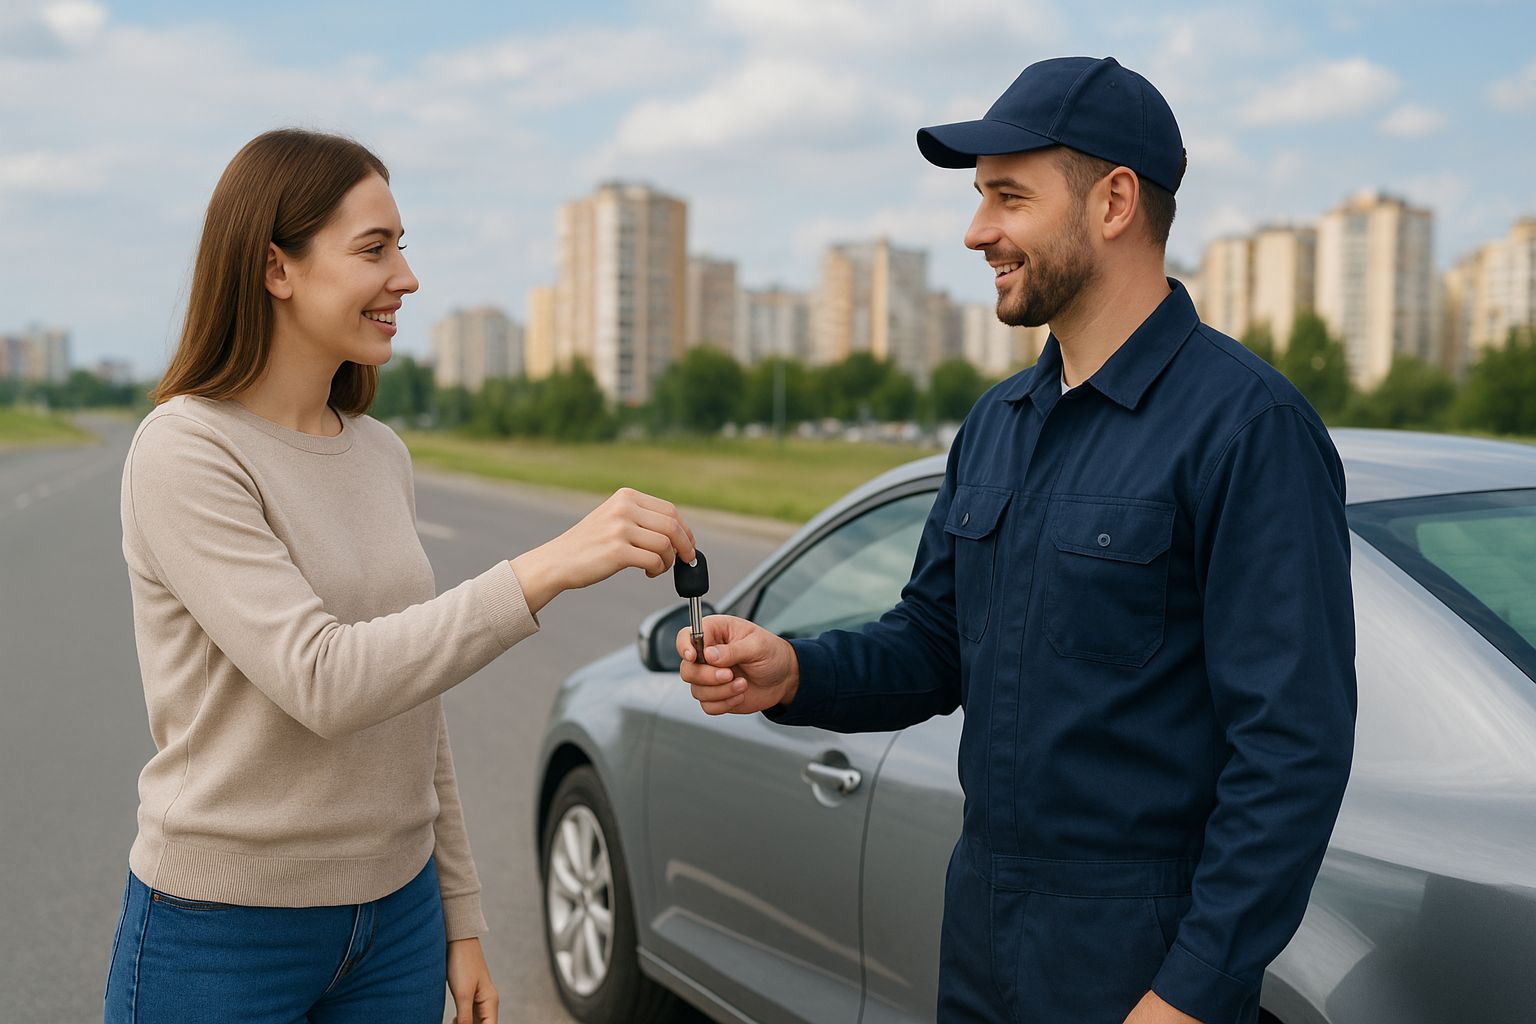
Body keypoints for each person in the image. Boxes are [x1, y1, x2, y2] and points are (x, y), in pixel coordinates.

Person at [679, 57, 1355, 1024]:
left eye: (1009, 197)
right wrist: (794, 670)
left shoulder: (1248, 430)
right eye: (979, 197)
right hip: (981, 932)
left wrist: (1192, 991)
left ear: (1114, 202)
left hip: (1138, 955)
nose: (976, 231)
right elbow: (934, 642)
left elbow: (1291, 751)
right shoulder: (997, 423)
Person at [105, 129, 696, 1024]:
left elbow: (412, 700)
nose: (407, 278)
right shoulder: (187, 450)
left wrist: (459, 915)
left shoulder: (381, 453)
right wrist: (543, 570)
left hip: (399, 923)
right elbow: (326, 679)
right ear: (276, 268)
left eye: (402, 247)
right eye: (374, 249)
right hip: (223, 932)